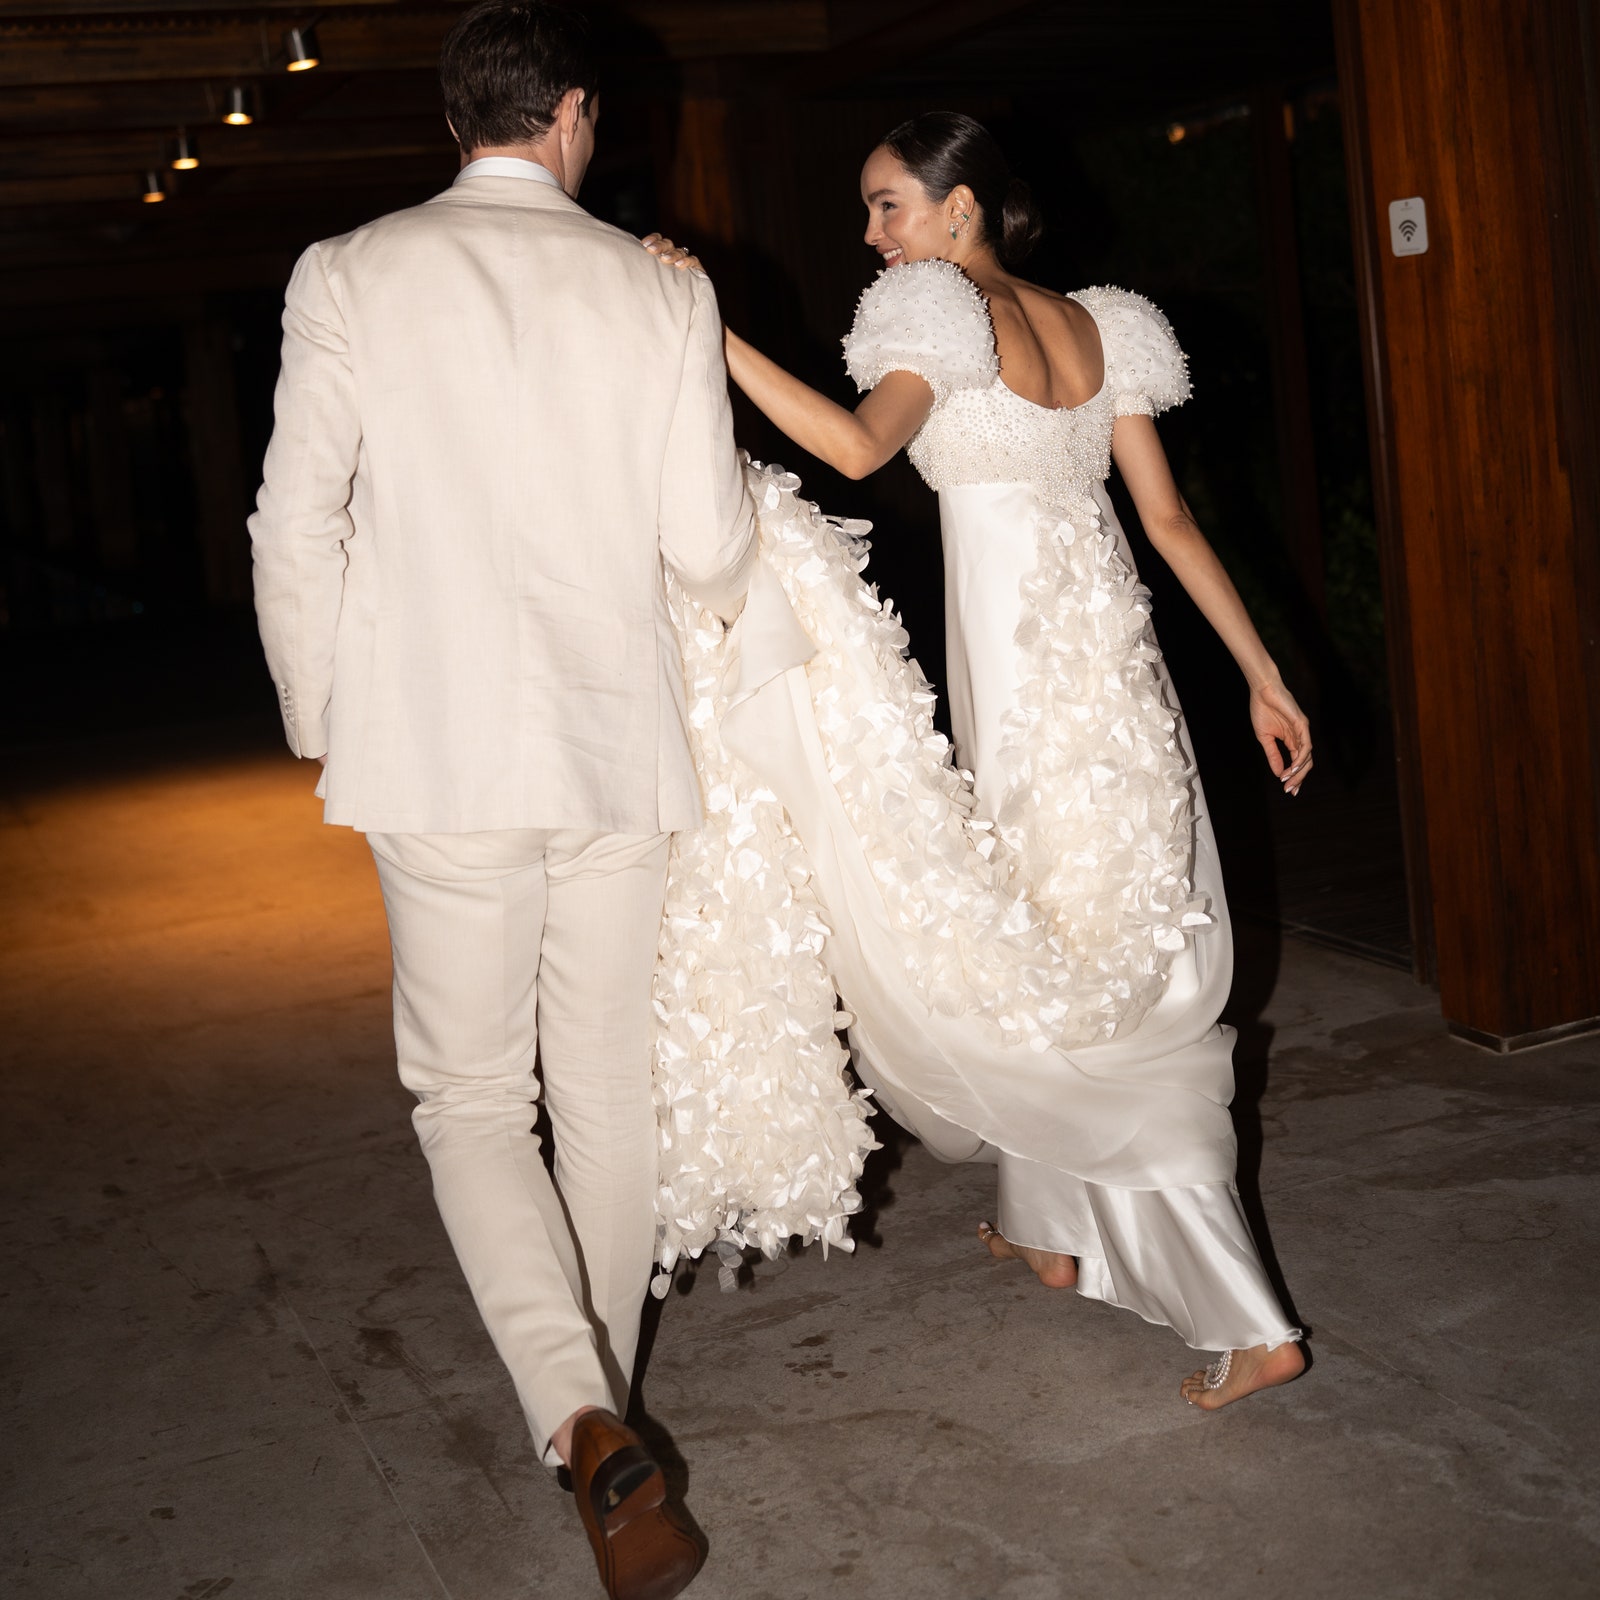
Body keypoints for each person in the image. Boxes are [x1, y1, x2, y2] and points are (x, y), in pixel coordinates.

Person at [644, 110, 1308, 1410]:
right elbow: (1164, 519)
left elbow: (851, 449)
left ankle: (1246, 1316)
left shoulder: (935, 315)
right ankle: (1050, 1227)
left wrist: (702, 329)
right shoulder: (1098, 322)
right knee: (1075, 940)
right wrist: (1261, 673)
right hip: (1122, 677)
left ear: (959, 213)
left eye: (888, 206)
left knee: (1073, 971)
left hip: (1028, 682)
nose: (873, 234)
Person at [248, 4, 753, 1596]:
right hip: (615, 746)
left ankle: (581, 1420)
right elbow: (709, 551)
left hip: (439, 751)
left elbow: (291, 517)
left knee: (472, 1100)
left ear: (454, 121)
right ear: (575, 117)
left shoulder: (349, 271)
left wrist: (325, 715)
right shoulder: (657, 291)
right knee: (601, 1085)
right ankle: (605, 1419)